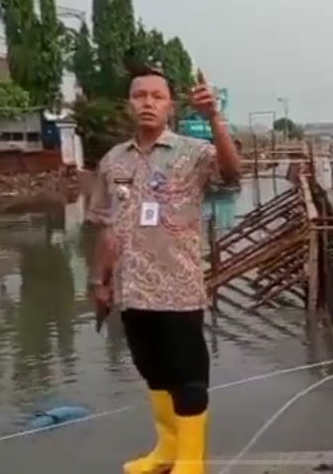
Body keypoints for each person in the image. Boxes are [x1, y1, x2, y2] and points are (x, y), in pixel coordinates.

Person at [86, 64, 240, 474]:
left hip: (179, 287)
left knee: (188, 378)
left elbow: (231, 173)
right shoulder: (113, 160)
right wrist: (98, 280)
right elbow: (104, 224)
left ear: (171, 106)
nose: (148, 103)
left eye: (157, 96)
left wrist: (215, 120)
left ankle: (192, 462)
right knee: (153, 374)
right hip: (132, 289)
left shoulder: (193, 152)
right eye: (140, 96)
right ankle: (166, 451)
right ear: (128, 105)